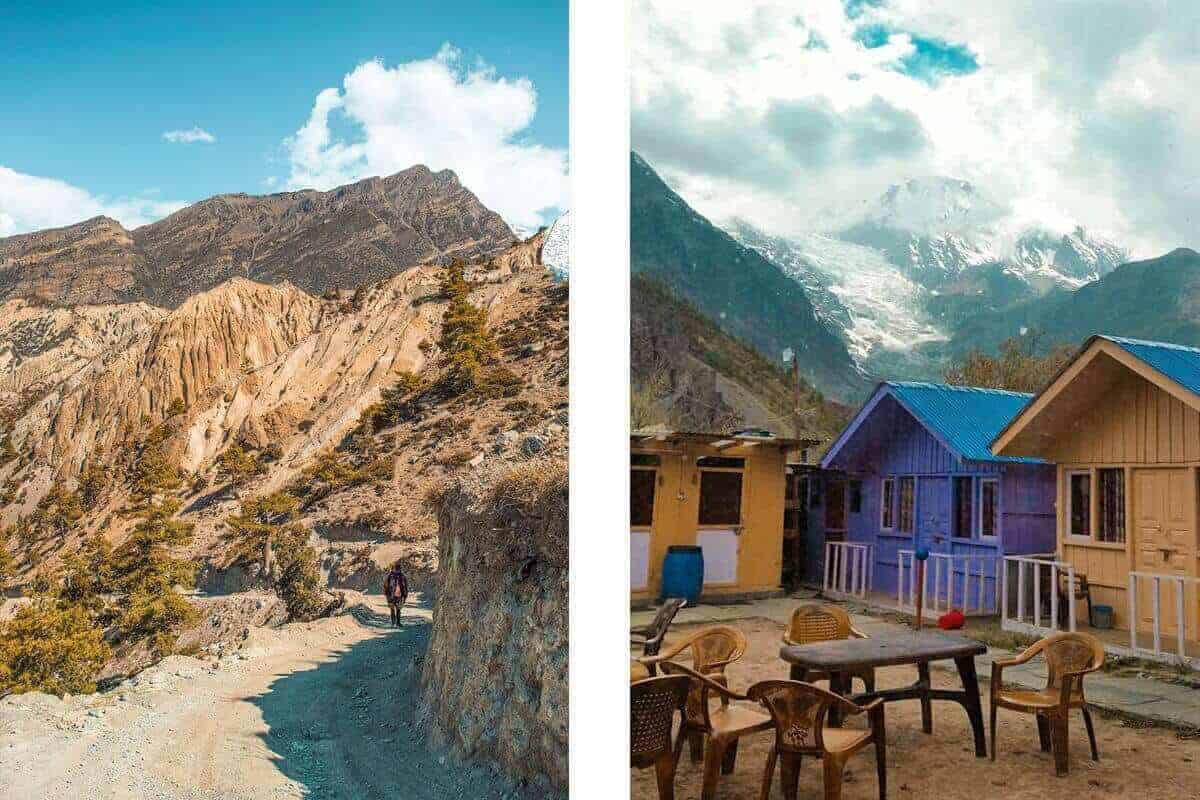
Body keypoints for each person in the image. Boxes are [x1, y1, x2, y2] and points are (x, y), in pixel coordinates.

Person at [384, 560, 408, 627]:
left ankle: (398, 622)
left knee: (398, 609)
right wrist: (387, 595)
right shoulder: (390, 576)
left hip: (399, 595)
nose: (397, 570)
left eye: (398, 568)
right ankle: (393, 622)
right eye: (396, 568)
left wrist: (405, 595)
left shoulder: (402, 576)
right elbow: (386, 586)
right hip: (391, 595)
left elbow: (405, 586)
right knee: (392, 609)